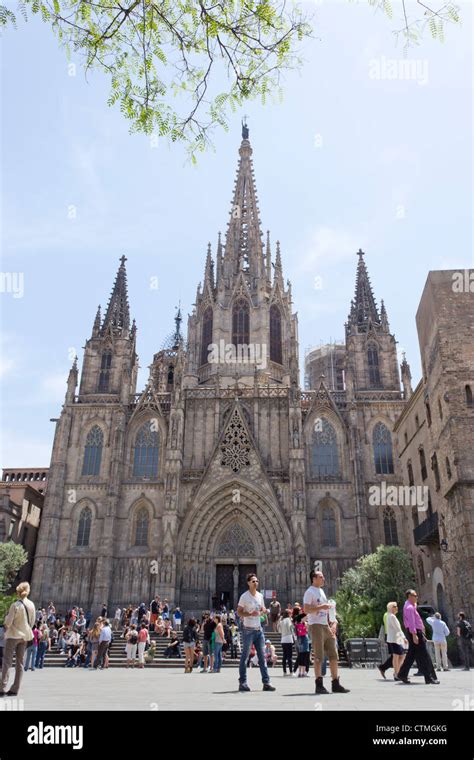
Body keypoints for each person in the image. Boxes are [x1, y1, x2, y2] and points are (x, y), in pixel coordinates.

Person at [303, 570, 349, 694]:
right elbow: (306, 609)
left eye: (323, 576)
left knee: (334, 655)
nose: (323, 578)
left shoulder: (321, 591)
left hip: (325, 625)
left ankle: (335, 683)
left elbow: (324, 610)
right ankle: (319, 685)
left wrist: (332, 622)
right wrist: (321, 607)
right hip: (316, 625)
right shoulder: (309, 592)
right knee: (318, 657)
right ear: (314, 578)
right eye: (321, 576)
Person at [237, 573, 275, 692]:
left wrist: (265, 611)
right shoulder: (244, 596)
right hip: (248, 630)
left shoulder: (260, 596)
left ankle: (266, 682)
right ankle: (242, 682)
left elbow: (262, 609)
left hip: (259, 630)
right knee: (245, 657)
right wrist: (249, 614)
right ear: (248, 583)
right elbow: (239, 612)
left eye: (257, 581)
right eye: (253, 581)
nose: (256, 583)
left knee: (262, 657)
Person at [397, 589, 440, 685]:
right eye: (415, 595)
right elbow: (412, 622)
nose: (417, 597)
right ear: (409, 596)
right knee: (424, 655)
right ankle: (429, 678)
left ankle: (402, 674)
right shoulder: (409, 608)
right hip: (415, 632)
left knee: (411, 655)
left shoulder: (409, 605)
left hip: (415, 632)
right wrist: (414, 635)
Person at [1, 582, 36, 697]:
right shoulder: (31, 605)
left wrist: (6, 622)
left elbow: (8, 622)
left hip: (13, 635)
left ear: (18, 592)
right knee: (20, 663)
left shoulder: (15, 605)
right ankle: (15, 689)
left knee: (7, 661)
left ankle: (2, 687)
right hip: (25, 636)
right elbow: (32, 622)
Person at [385, 602, 408, 680]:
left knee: (400, 656)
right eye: (395, 606)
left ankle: (397, 672)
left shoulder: (390, 616)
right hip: (395, 639)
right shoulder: (392, 616)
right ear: (391, 608)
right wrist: (404, 638)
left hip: (394, 638)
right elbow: (397, 629)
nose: (397, 608)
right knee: (397, 656)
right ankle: (397, 673)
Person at [295, 613, 310, 677]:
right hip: (303, 640)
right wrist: (306, 627)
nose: (306, 618)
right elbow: (303, 632)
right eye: (305, 617)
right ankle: (302, 672)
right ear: (302, 618)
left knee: (302, 656)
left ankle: (301, 672)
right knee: (303, 656)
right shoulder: (301, 625)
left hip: (301, 641)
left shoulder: (298, 624)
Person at [280, 610, 295, 676]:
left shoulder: (281, 620)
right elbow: (291, 628)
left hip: (283, 639)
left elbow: (279, 630)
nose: (291, 614)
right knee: (290, 656)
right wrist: (294, 636)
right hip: (289, 638)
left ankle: (284, 671)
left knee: (284, 656)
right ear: (288, 614)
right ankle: (291, 672)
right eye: (290, 613)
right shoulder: (288, 620)